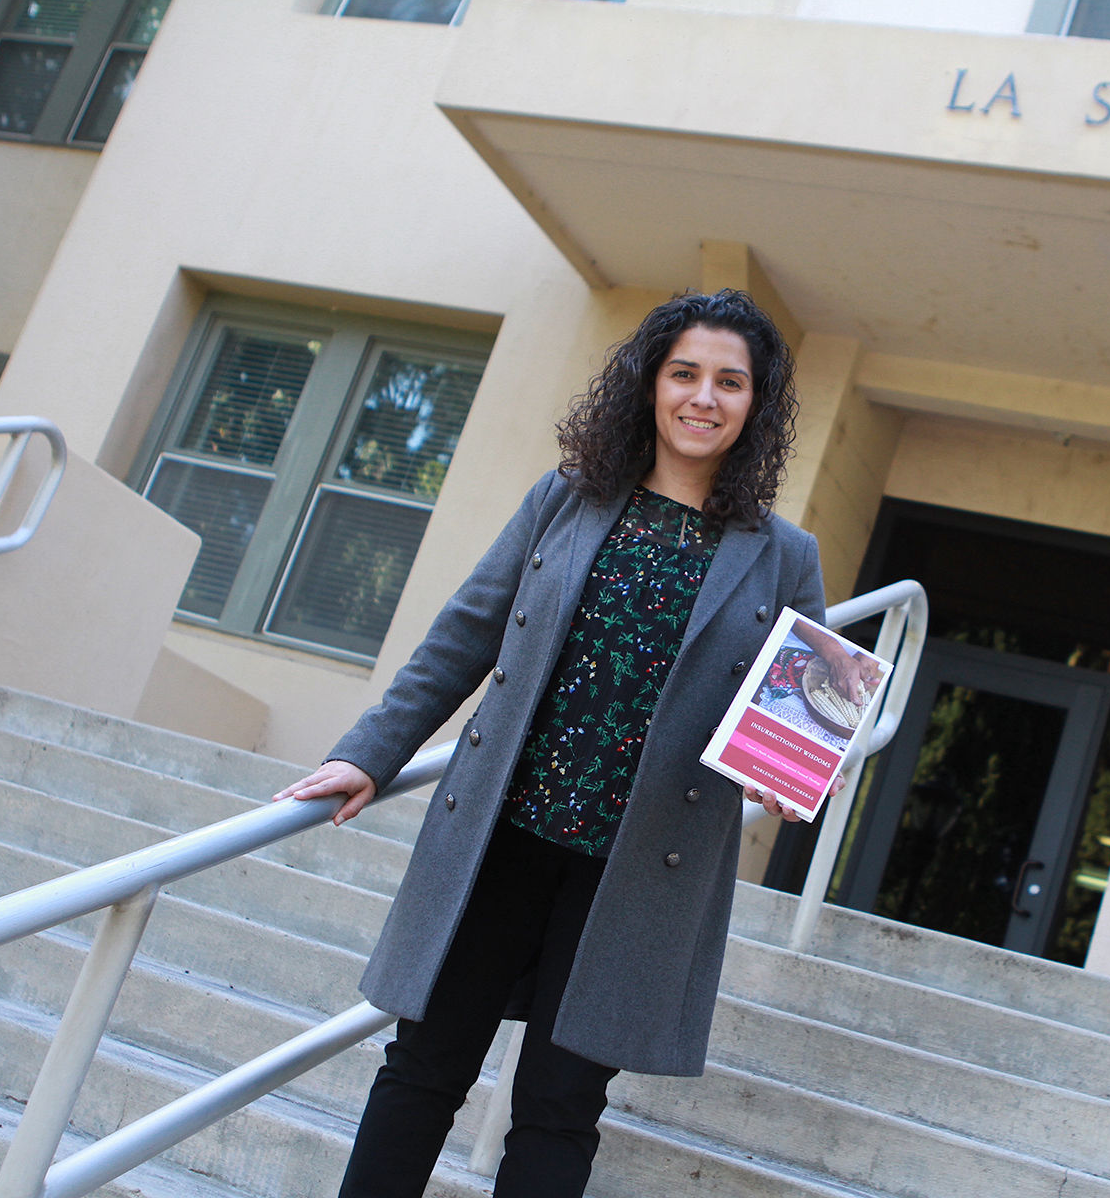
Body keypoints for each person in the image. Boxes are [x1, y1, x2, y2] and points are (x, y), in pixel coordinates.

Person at [272, 289, 827, 1198]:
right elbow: (467, 631)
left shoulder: (783, 555)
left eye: (732, 382)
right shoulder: (567, 500)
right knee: (423, 1069)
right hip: (500, 836)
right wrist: (373, 749)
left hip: (637, 870)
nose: (704, 397)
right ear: (650, 383)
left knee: (560, 1108)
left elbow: (802, 707)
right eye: (685, 372)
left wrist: (789, 771)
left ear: (755, 407)